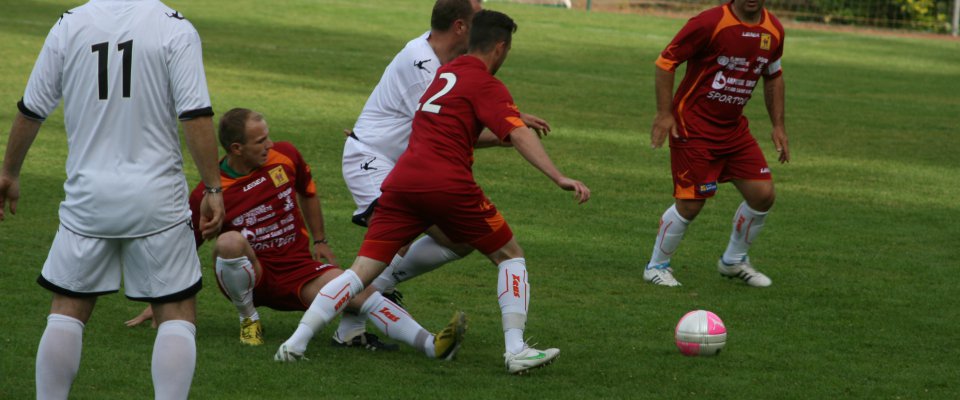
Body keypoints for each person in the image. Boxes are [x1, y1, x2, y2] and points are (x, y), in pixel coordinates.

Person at [278, 10, 590, 375]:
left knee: (359, 273)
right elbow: (519, 133)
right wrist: (558, 176)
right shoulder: (485, 84)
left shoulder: (444, 74)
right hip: (447, 185)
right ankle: (516, 349)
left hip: (401, 182)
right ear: (501, 48)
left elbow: (457, 127)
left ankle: (295, 344)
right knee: (510, 255)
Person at [0, 1, 226, 399]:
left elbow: (31, 109)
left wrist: (9, 172)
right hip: (156, 199)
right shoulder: (174, 27)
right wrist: (212, 188)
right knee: (175, 310)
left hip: (89, 197)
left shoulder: (70, 24)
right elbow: (196, 115)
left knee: (68, 306)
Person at [126, 108, 467, 358]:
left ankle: (431, 344)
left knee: (358, 289)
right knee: (229, 242)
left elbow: (308, 190)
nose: (270, 144)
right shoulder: (210, 193)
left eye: (268, 135)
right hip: (252, 273)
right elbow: (186, 245)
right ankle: (249, 320)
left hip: (299, 270)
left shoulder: (284, 156)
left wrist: (319, 241)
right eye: (260, 141)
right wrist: (162, 301)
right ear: (236, 149)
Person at [343, 0, 551, 306]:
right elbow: (445, 130)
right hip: (373, 160)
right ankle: (348, 321)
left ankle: (379, 289)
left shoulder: (439, 58)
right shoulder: (422, 64)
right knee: (393, 242)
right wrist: (507, 132)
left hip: (402, 164)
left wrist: (508, 123)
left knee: (460, 240)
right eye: (479, 18)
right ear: (460, 27)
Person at [644, 0, 790, 287]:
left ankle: (733, 262)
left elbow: (773, 77)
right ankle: (656, 267)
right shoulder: (708, 23)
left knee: (763, 195)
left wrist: (778, 125)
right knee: (691, 204)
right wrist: (664, 113)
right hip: (693, 126)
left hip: (734, 130)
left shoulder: (773, 29)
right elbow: (666, 63)